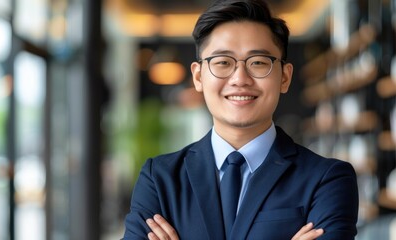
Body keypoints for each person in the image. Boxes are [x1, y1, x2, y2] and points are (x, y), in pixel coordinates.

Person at [123, 0, 359, 239]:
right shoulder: (160, 178)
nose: (240, 79)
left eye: (258, 62)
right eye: (223, 62)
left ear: (285, 77)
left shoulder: (327, 179)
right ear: (198, 77)